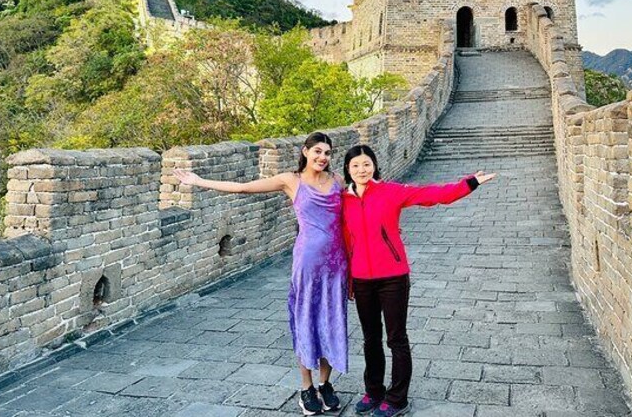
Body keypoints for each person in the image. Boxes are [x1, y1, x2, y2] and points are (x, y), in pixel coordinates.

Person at [173, 132, 348, 416]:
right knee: (306, 321)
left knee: (332, 321)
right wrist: (198, 181)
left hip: (336, 264)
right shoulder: (291, 180)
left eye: (327, 153)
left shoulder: (338, 182)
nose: (322, 157)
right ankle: (306, 388)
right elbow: (243, 188)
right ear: (305, 152)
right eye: (317, 151)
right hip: (306, 262)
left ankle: (325, 384)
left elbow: (364, 204)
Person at [341, 144, 496, 417]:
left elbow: (433, 195)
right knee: (370, 339)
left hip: (393, 277)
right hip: (362, 279)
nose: (362, 170)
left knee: (396, 338)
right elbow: (346, 240)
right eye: (355, 166)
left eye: (366, 164)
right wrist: (350, 280)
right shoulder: (344, 200)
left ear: (374, 165)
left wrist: (469, 183)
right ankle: (373, 390)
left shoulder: (391, 192)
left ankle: (397, 398)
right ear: (348, 170)